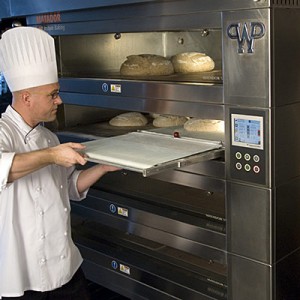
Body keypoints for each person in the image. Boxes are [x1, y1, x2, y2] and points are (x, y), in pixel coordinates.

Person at [0, 26, 120, 299]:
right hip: (20, 279)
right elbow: (3, 168)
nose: (59, 100)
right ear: (26, 97)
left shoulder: (49, 138)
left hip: (65, 271)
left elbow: (67, 188)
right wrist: (53, 156)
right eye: (52, 94)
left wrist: (101, 168)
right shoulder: (3, 132)